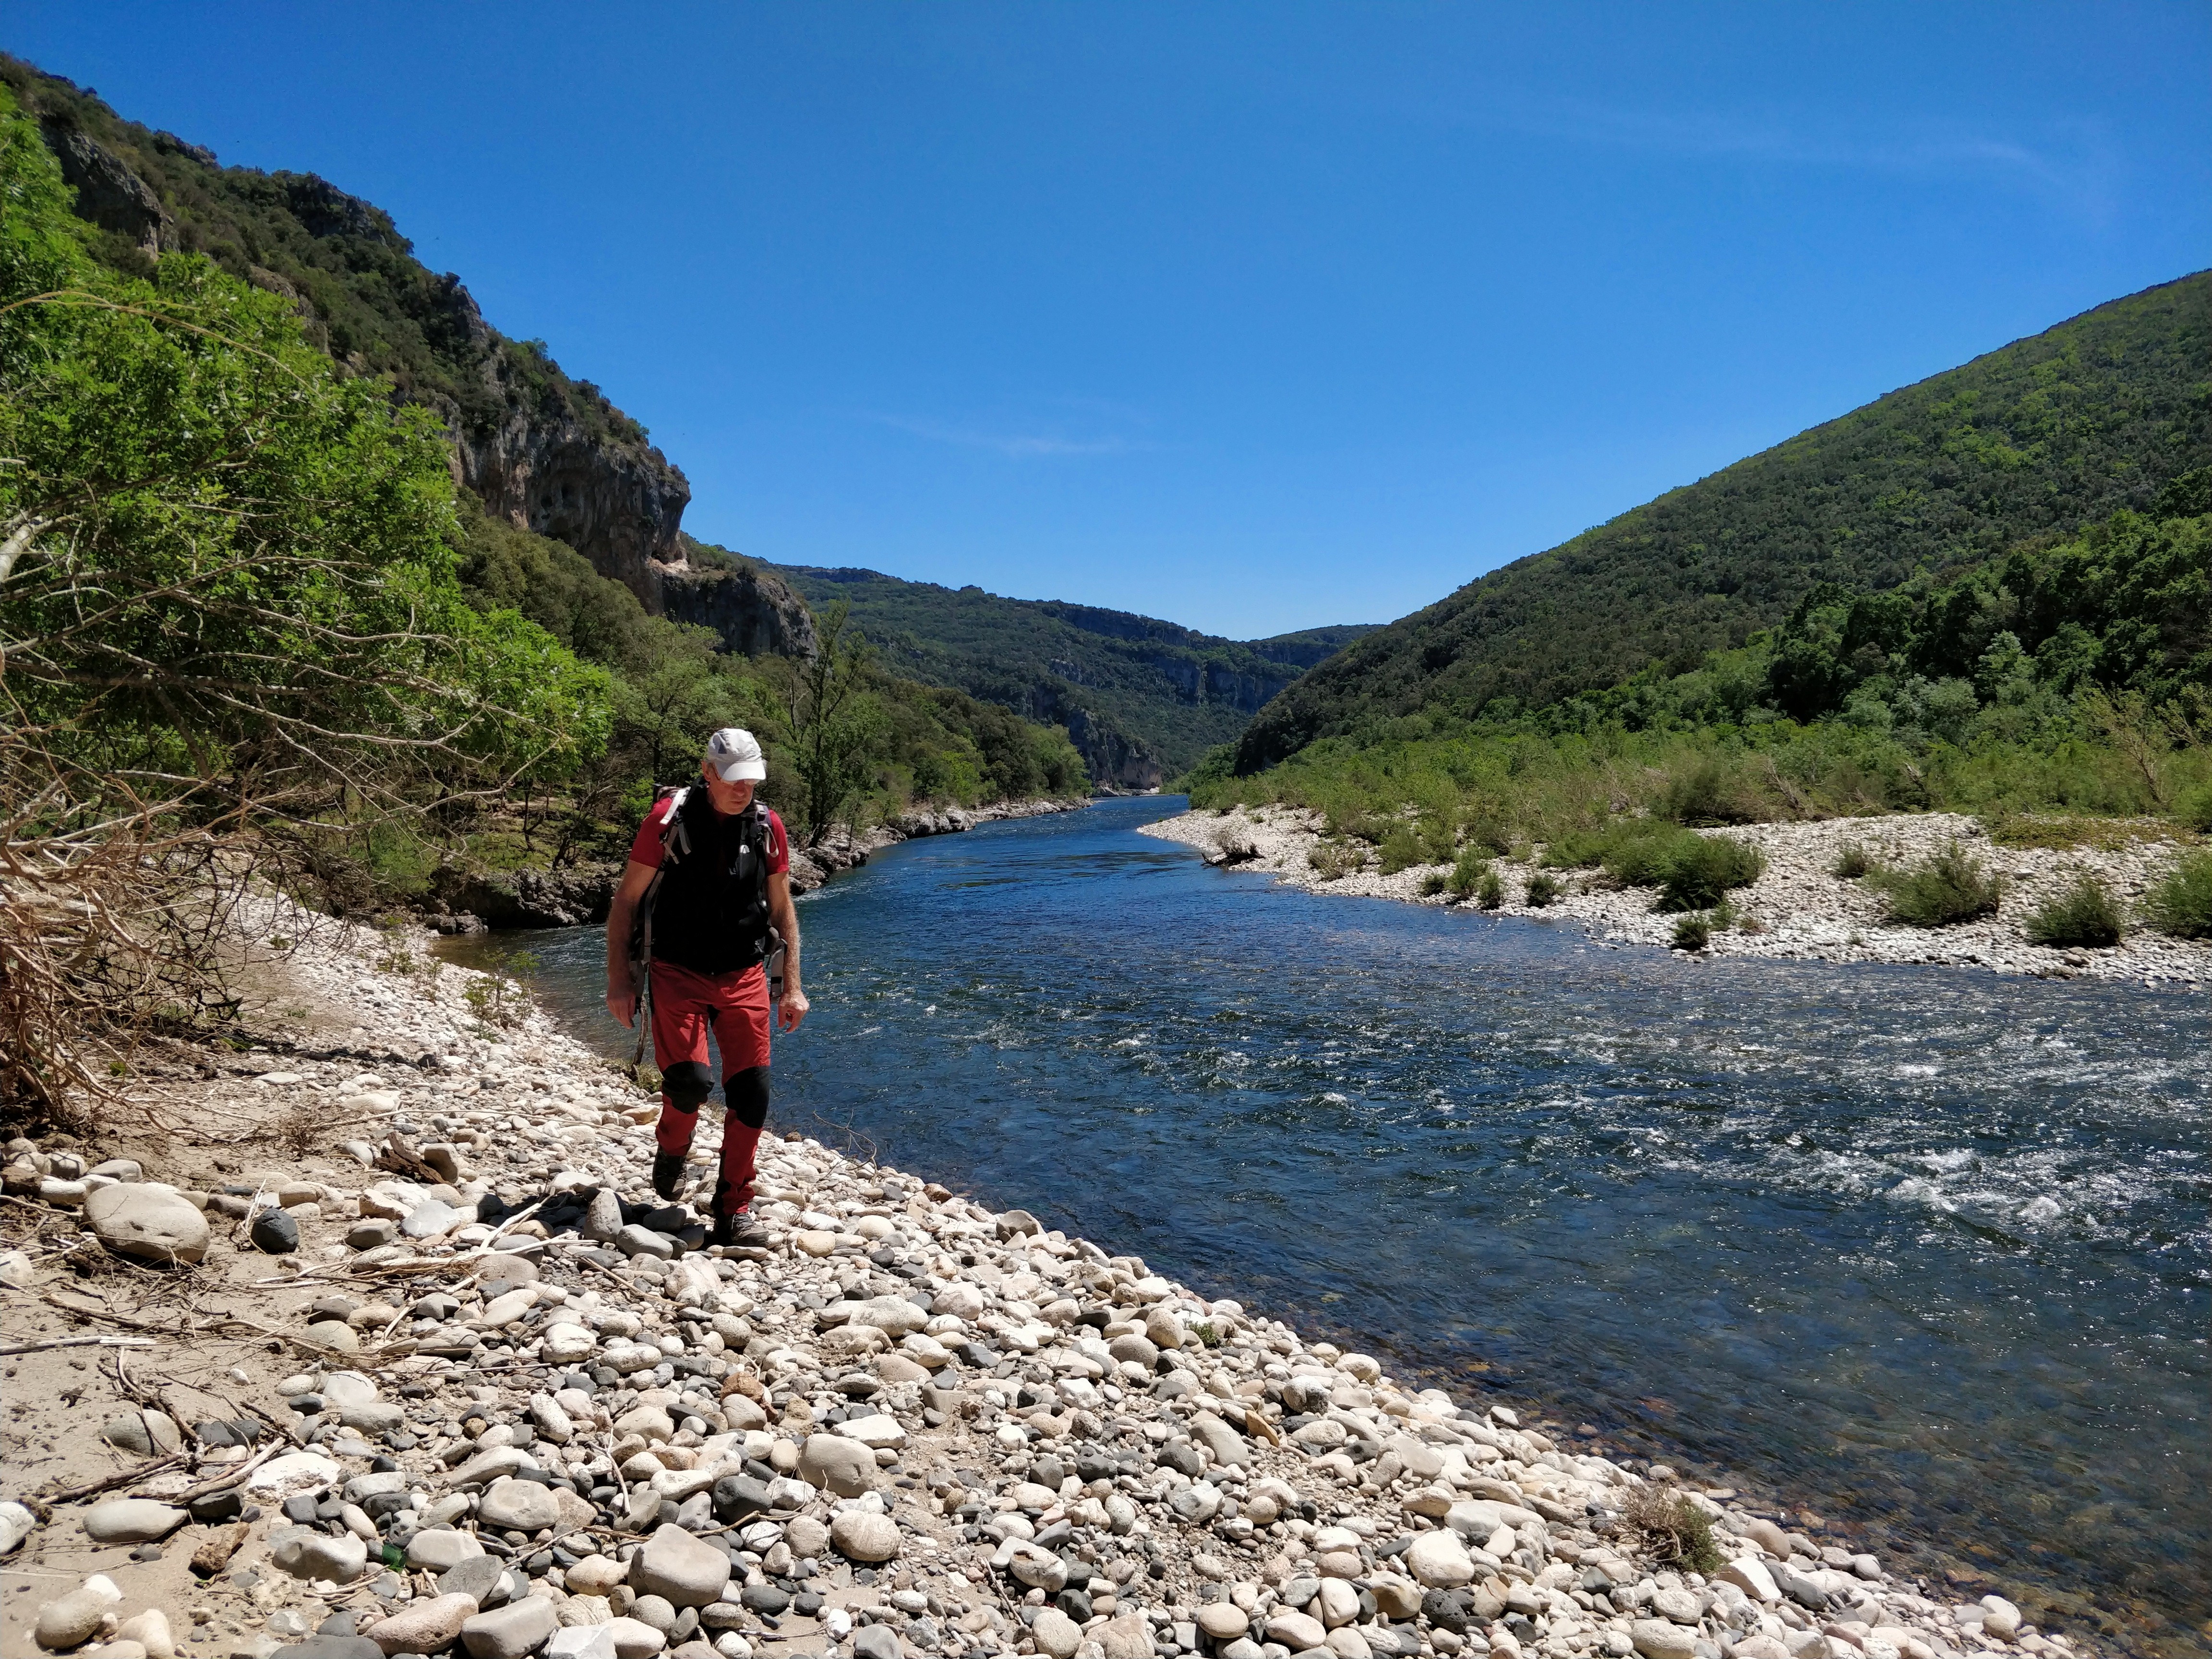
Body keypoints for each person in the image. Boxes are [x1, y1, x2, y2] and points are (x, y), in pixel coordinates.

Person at [605, 727, 809, 1247]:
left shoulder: (767, 826)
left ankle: (733, 1207)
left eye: (752, 780)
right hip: (677, 970)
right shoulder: (667, 820)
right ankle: (674, 1144)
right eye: (735, 780)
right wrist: (620, 980)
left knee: (752, 1094)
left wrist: (791, 987)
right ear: (708, 773)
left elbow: (783, 909)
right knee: (691, 1083)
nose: (745, 790)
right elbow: (627, 902)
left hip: (743, 972)